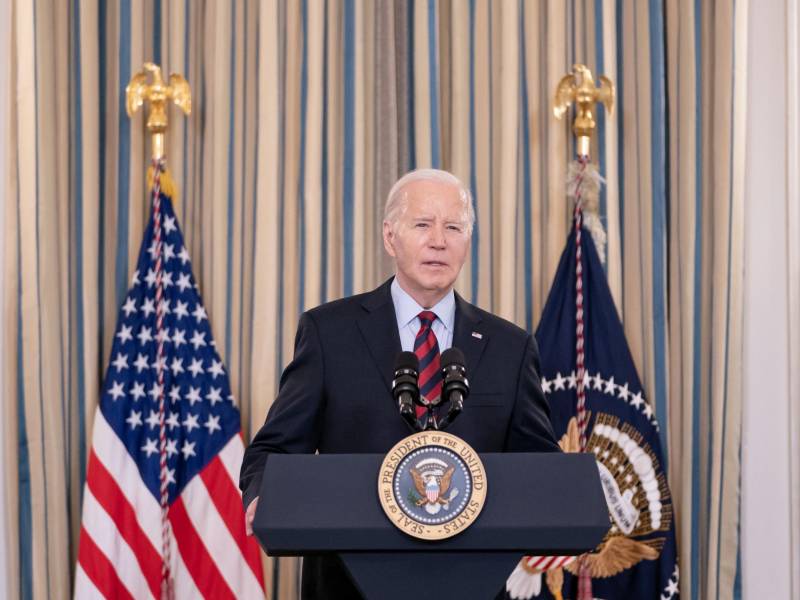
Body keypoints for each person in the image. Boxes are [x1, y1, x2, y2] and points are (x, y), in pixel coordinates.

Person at [240, 168, 560, 599]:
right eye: (423, 224)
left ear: (468, 241)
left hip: (471, 585)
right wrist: (265, 494)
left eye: (454, 227)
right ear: (391, 237)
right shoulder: (329, 332)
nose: (439, 241)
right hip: (348, 585)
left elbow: (540, 466)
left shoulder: (511, 347)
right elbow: (273, 449)